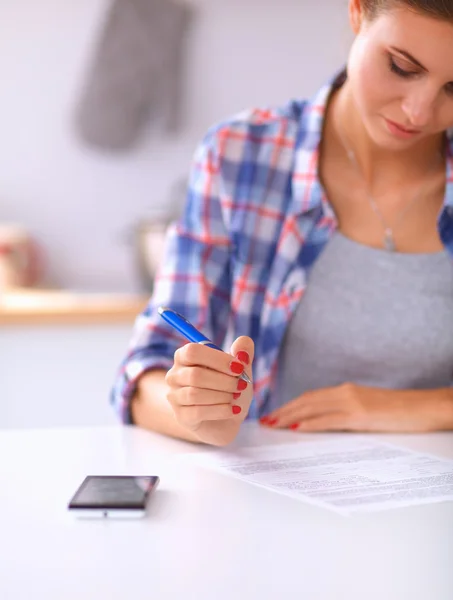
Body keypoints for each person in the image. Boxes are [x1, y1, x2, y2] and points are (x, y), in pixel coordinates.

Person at [111, 0, 453, 446]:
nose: (419, 112)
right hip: (281, 496)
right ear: (357, 13)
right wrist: (192, 409)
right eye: (402, 67)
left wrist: (421, 406)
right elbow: (146, 368)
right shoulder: (240, 154)